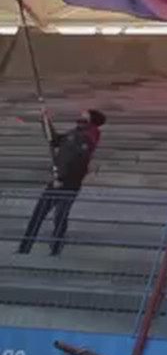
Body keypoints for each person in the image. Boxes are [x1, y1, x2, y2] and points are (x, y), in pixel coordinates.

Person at [17, 109, 105, 256]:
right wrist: (46, 122)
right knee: (40, 214)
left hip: (68, 183)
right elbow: (54, 140)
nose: (80, 115)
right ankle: (25, 248)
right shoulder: (74, 133)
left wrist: (61, 178)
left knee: (60, 215)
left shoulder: (89, 136)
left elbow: (77, 161)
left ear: (91, 120)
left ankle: (55, 247)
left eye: (84, 114)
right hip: (58, 181)